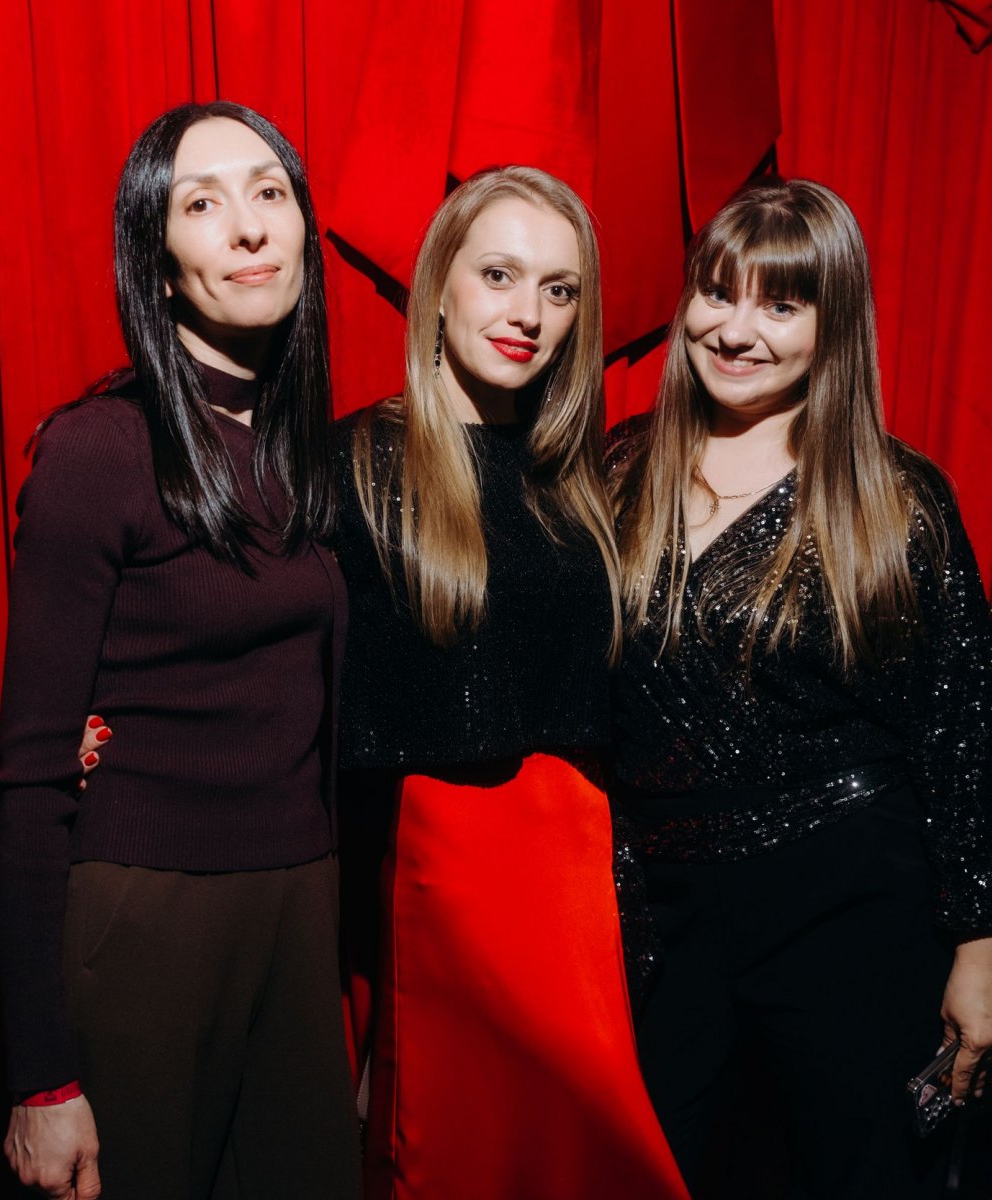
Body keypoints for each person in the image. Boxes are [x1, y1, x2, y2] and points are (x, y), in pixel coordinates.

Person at [605, 179, 992, 1198]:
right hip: (661, 913)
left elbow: (963, 732)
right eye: (717, 293)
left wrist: (983, 951)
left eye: (780, 305)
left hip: (849, 904)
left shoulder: (893, 497)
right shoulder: (619, 468)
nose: (735, 330)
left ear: (831, 325)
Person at [0, 101, 359, 1200]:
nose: (248, 226)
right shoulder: (100, 451)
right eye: (202, 204)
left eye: (270, 192)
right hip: (145, 919)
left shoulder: (310, 456)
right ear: (155, 267)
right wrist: (41, 1077)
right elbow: (29, 774)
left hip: (298, 909)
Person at [334, 166, 688, 1200]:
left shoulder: (576, 481)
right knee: (465, 1155)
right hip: (445, 881)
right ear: (438, 286)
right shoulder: (354, 466)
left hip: (580, 882)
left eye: (559, 289)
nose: (528, 313)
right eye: (499, 275)